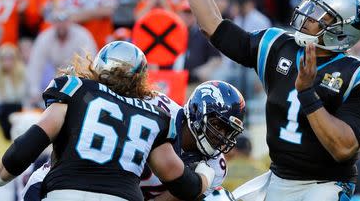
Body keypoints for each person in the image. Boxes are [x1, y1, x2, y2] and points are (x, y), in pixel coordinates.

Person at [168, 0, 360, 200]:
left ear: (341, 32)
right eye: (311, 7)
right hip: (278, 177)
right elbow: (213, 27)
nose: (307, 16)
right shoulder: (278, 45)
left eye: (320, 15)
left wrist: (307, 93)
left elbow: (344, 149)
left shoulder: (359, 75)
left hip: (325, 185)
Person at [0, 41, 215, 201]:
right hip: (122, 196)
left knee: (36, 184)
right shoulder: (156, 116)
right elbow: (183, 184)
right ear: (141, 81)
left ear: (99, 66)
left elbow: (31, 142)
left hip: (66, 191)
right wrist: (206, 174)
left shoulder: (77, 89)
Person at [21, 80, 245, 201]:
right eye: (218, 125)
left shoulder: (216, 166)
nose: (222, 137)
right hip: (92, 175)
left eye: (229, 132)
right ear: (197, 111)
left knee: (219, 199)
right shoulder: (155, 107)